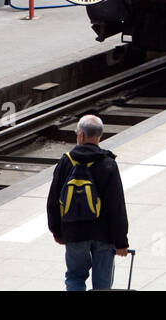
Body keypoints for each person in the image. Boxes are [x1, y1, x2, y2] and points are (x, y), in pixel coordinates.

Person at [48, 114, 129, 291]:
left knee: (75, 277)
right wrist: (121, 241)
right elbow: (116, 206)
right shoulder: (108, 163)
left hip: (74, 232)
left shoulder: (66, 162)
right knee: (102, 283)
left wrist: (57, 231)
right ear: (99, 136)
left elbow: (53, 201)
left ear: (81, 135)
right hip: (104, 234)